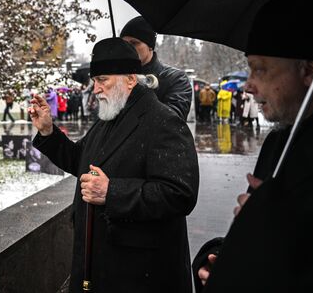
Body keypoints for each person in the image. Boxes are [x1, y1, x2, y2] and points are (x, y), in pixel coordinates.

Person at [29, 37, 199, 293]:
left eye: (102, 80)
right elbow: (81, 162)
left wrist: (112, 193)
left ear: (131, 79)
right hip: (100, 265)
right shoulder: (109, 117)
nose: (95, 89)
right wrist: (48, 132)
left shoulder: (163, 121)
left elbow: (180, 194)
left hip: (139, 274)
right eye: (94, 81)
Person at [193, 0, 313, 293]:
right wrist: (223, 258)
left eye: (261, 69)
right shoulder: (278, 142)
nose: (249, 85)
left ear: (308, 72)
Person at [120, 16, 192, 120]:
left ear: (150, 46)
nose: (127, 48)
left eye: (134, 43)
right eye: (124, 44)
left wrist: (139, 86)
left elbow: (172, 121)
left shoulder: (176, 79)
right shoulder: (119, 78)